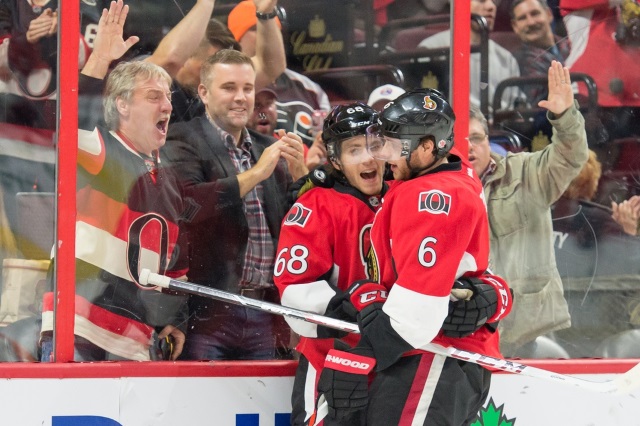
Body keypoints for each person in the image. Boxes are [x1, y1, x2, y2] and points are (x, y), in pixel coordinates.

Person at [315, 88, 512, 425]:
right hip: (420, 353)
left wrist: (357, 356)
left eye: (395, 145)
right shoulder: (437, 175)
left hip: (432, 354)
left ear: (426, 147)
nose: (383, 156)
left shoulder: (434, 196)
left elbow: (416, 315)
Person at [39, 0, 189, 361]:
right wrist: (99, 61)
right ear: (122, 105)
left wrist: (175, 319)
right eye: (153, 97)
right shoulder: (101, 148)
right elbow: (69, 124)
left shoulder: (168, 180)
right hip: (78, 330)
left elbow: (177, 268)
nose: (166, 106)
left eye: (168, 98)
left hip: (135, 343)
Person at [162, 49, 308, 361]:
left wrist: (303, 181)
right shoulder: (181, 139)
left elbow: (293, 227)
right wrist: (257, 173)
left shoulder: (267, 148)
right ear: (203, 92)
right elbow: (188, 206)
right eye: (229, 88)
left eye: (248, 88)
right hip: (208, 312)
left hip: (266, 311)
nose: (241, 97)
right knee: (200, 406)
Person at [467, 60, 589, 357]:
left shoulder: (525, 173)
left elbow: (571, 156)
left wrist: (564, 117)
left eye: (477, 138)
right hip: (466, 334)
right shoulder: (437, 192)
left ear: (488, 139)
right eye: (461, 140)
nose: (469, 147)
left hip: (527, 331)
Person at [227, 0, 331, 146]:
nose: (265, 32)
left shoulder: (309, 88)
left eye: (273, 27)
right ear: (236, 39)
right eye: (255, 28)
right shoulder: (230, 86)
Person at [169, 0, 286, 124]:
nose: (215, 75)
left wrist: (265, 14)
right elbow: (168, 60)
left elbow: (270, 67)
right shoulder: (155, 79)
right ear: (185, 58)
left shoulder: (219, 87)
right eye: (207, 67)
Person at [418, 0, 522, 112]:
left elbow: (515, 108)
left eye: (493, 2)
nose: (491, 6)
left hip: (497, 126)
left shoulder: (507, 59)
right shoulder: (431, 48)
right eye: (481, 1)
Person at [510, 0, 571, 103]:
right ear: (515, 26)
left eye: (535, 13)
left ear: (549, 14)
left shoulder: (571, 45)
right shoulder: (519, 62)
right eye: (522, 18)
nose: (531, 22)